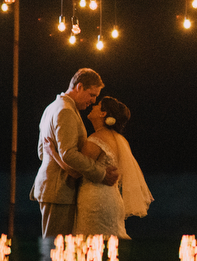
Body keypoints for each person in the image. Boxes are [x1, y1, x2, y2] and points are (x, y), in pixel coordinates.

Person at [30, 68, 120, 238]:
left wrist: (54, 156)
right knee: (56, 250)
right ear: (79, 87)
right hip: (60, 191)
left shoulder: (52, 107)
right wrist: (101, 173)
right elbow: (69, 154)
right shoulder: (66, 111)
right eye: (92, 95)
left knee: (59, 249)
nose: (93, 101)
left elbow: (42, 152)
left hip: (54, 188)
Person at [55, 96, 154, 239]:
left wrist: (53, 153)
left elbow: (75, 172)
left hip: (95, 201)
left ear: (103, 113)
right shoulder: (120, 140)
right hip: (113, 200)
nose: (94, 105)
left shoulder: (95, 140)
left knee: (92, 245)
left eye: (98, 105)